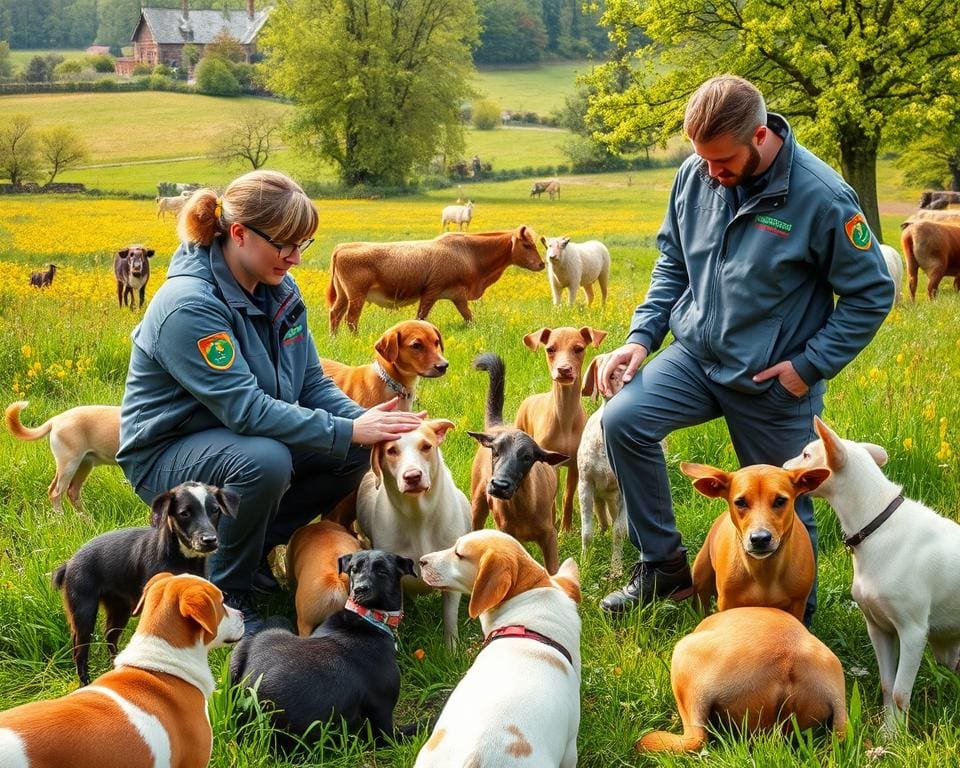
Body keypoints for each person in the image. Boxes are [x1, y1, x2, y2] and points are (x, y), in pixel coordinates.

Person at [596, 76, 895, 623]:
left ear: (760, 136)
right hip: (695, 358)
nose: (712, 173)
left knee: (786, 505)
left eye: (724, 161)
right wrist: (641, 338)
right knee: (622, 421)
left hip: (771, 379)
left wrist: (808, 367)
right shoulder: (695, 175)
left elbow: (873, 291)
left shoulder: (822, 197)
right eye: (703, 160)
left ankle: (795, 617)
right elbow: (673, 264)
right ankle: (664, 567)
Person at [117, 170, 424, 635]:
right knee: (267, 461)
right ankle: (229, 591)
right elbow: (246, 409)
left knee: (357, 450)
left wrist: (365, 423)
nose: (296, 258)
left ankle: (249, 546)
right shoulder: (189, 305)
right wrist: (346, 428)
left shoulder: (280, 290)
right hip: (168, 451)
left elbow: (311, 383)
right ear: (239, 234)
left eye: (305, 244)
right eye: (285, 245)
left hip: (236, 438)